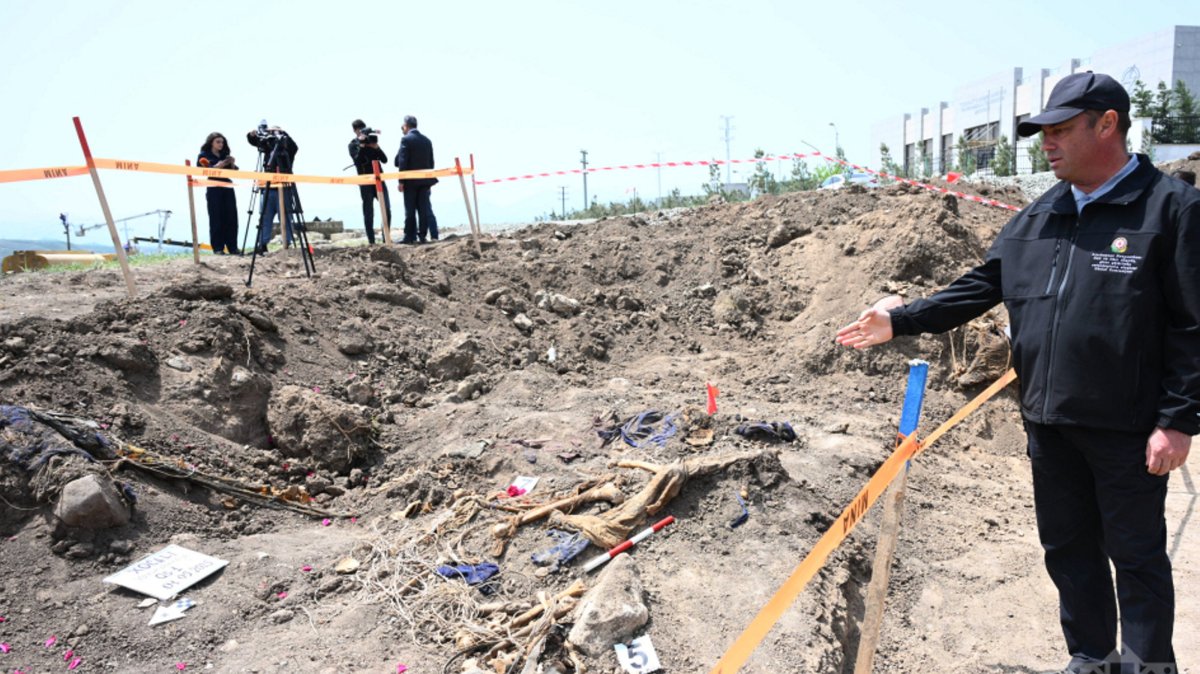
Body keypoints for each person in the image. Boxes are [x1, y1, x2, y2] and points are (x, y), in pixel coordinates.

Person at [835, 72, 1198, 673]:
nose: (1045, 143)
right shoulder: (1041, 214)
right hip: (1049, 423)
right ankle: (1089, 659)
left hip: (1129, 429)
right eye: (1042, 132)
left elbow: (1192, 324)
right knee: (1068, 551)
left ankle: (1148, 667)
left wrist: (1178, 419)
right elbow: (981, 287)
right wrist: (901, 319)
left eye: (1059, 130)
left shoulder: (1171, 209)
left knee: (1135, 559)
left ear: (1106, 123)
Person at [246, 122, 300, 255]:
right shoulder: (269, 147)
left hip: (284, 187)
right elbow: (255, 141)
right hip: (268, 187)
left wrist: (281, 133)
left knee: (286, 216)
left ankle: (287, 243)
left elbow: (294, 147)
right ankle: (262, 244)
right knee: (265, 217)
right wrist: (251, 135)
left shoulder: (287, 147)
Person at [393, 115, 438, 243]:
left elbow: (402, 162)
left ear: (406, 126)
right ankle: (422, 235)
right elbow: (431, 162)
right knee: (423, 209)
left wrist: (401, 181)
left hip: (410, 181)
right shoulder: (427, 140)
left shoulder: (405, 140)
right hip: (425, 180)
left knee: (410, 209)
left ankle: (409, 236)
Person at [349, 119, 391, 244]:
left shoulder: (371, 141)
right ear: (355, 131)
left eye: (363, 129)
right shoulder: (353, 145)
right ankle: (371, 241)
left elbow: (384, 160)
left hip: (379, 179)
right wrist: (361, 146)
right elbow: (357, 161)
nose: (362, 132)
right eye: (360, 130)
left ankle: (386, 238)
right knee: (368, 211)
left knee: (387, 208)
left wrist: (377, 148)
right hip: (365, 181)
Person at [196, 132, 239, 254]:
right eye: (218, 142)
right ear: (211, 143)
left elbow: (234, 171)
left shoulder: (225, 155)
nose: (221, 144)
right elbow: (206, 170)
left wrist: (231, 162)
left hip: (227, 187)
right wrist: (220, 165)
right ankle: (218, 248)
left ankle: (233, 247)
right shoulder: (203, 155)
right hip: (213, 187)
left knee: (231, 217)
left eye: (222, 142)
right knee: (216, 217)